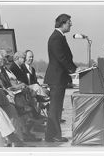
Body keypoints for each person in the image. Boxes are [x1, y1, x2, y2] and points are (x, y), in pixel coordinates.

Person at [44, 14, 77, 142]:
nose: (71, 24)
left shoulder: (59, 37)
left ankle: (51, 135)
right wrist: (74, 69)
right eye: (69, 22)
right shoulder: (56, 38)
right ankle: (54, 135)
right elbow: (61, 58)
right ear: (62, 23)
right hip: (56, 78)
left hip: (59, 78)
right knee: (55, 108)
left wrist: (75, 67)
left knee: (56, 108)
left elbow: (65, 57)